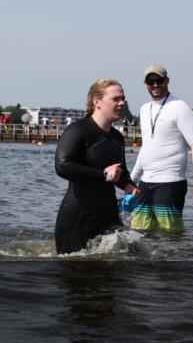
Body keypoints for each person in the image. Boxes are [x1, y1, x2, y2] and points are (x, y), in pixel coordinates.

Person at [54, 79, 139, 254]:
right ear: (96, 102)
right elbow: (62, 166)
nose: (122, 103)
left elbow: (119, 172)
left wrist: (128, 185)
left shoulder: (117, 137)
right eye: (116, 99)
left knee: (126, 265)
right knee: (78, 272)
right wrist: (103, 174)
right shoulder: (78, 130)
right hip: (77, 217)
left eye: (123, 98)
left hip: (108, 214)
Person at [128, 65, 193, 233]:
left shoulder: (180, 107)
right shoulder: (143, 109)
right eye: (151, 81)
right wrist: (131, 181)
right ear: (145, 84)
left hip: (170, 182)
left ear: (167, 81)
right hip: (145, 183)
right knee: (137, 234)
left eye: (159, 81)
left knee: (170, 236)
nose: (155, 85)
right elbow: (146, 147)